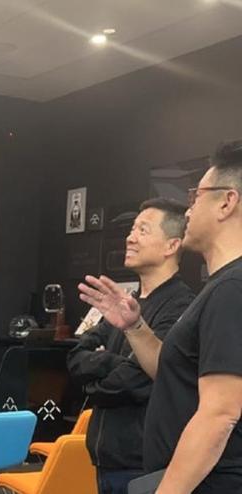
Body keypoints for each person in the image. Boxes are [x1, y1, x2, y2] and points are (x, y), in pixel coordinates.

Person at [79, 140, 242, 493]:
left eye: (196, 197)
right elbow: (172, 370)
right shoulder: (219, 288)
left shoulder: (232, 288)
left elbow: (220, 414)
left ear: (227, 202)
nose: (188, 211)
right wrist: (135, 326)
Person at [68, 198, 194, 494]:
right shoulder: (123, 303)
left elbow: (138, 380)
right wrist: (114, 363)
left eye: (142, 230)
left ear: (171, 245)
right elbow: (76, 357)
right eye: (132, 229)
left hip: (144, 463)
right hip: (106, 458)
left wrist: (96, 378)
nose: (130, 237)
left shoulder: (182, 306)